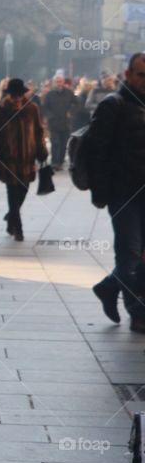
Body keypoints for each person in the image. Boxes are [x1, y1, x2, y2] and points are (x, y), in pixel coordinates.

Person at [85, 52, 145, 334]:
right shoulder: (113, 105)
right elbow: (97, 152)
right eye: (141, 75)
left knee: (141, 256)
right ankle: (138, 313)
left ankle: (109, 287)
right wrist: (100, 192)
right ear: (128, 74)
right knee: (130, 254)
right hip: (124, 193)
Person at [0, 78, 48, 242]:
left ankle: (10, 218)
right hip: (8, 160)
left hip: (27, 159)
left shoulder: (32, 108)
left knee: (23, 190)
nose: (17, 99)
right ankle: (18, 228)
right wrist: (1, 151)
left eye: (19, 95)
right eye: (14, 96)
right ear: (9, 95)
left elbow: (38, 132)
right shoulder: (0, 111)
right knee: (12, 192)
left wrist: (41, 151)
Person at [43, 75, 78, 170]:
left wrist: (71, 111)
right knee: (55, 143)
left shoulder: (69, 93)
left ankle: (61, 161)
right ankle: (55, 162)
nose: (59, 83)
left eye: (60, 81)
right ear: (54, 83)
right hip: (54, 123)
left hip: (66, 123)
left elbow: (77, 103)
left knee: (63, 144)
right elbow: (45, 108)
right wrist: (50, 116)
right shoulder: (49, 94)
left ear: (63, 82)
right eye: (57, 81)